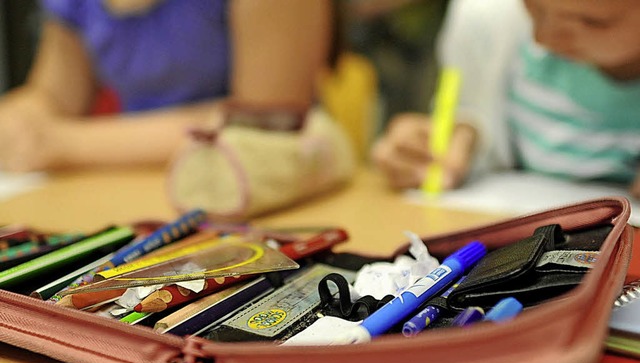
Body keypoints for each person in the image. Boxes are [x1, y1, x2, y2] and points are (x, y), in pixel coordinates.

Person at [0, 0, 335, 172]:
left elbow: (269, 120)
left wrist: (64, 143)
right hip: (128, 187)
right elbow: (52, 97)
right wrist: (18, 121)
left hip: (258, 191)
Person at [372, 0, 640, 197]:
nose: (544, 38)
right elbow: (474, 112)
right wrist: (465, 135)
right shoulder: (488, 15)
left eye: (593, 22)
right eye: (532, 6)